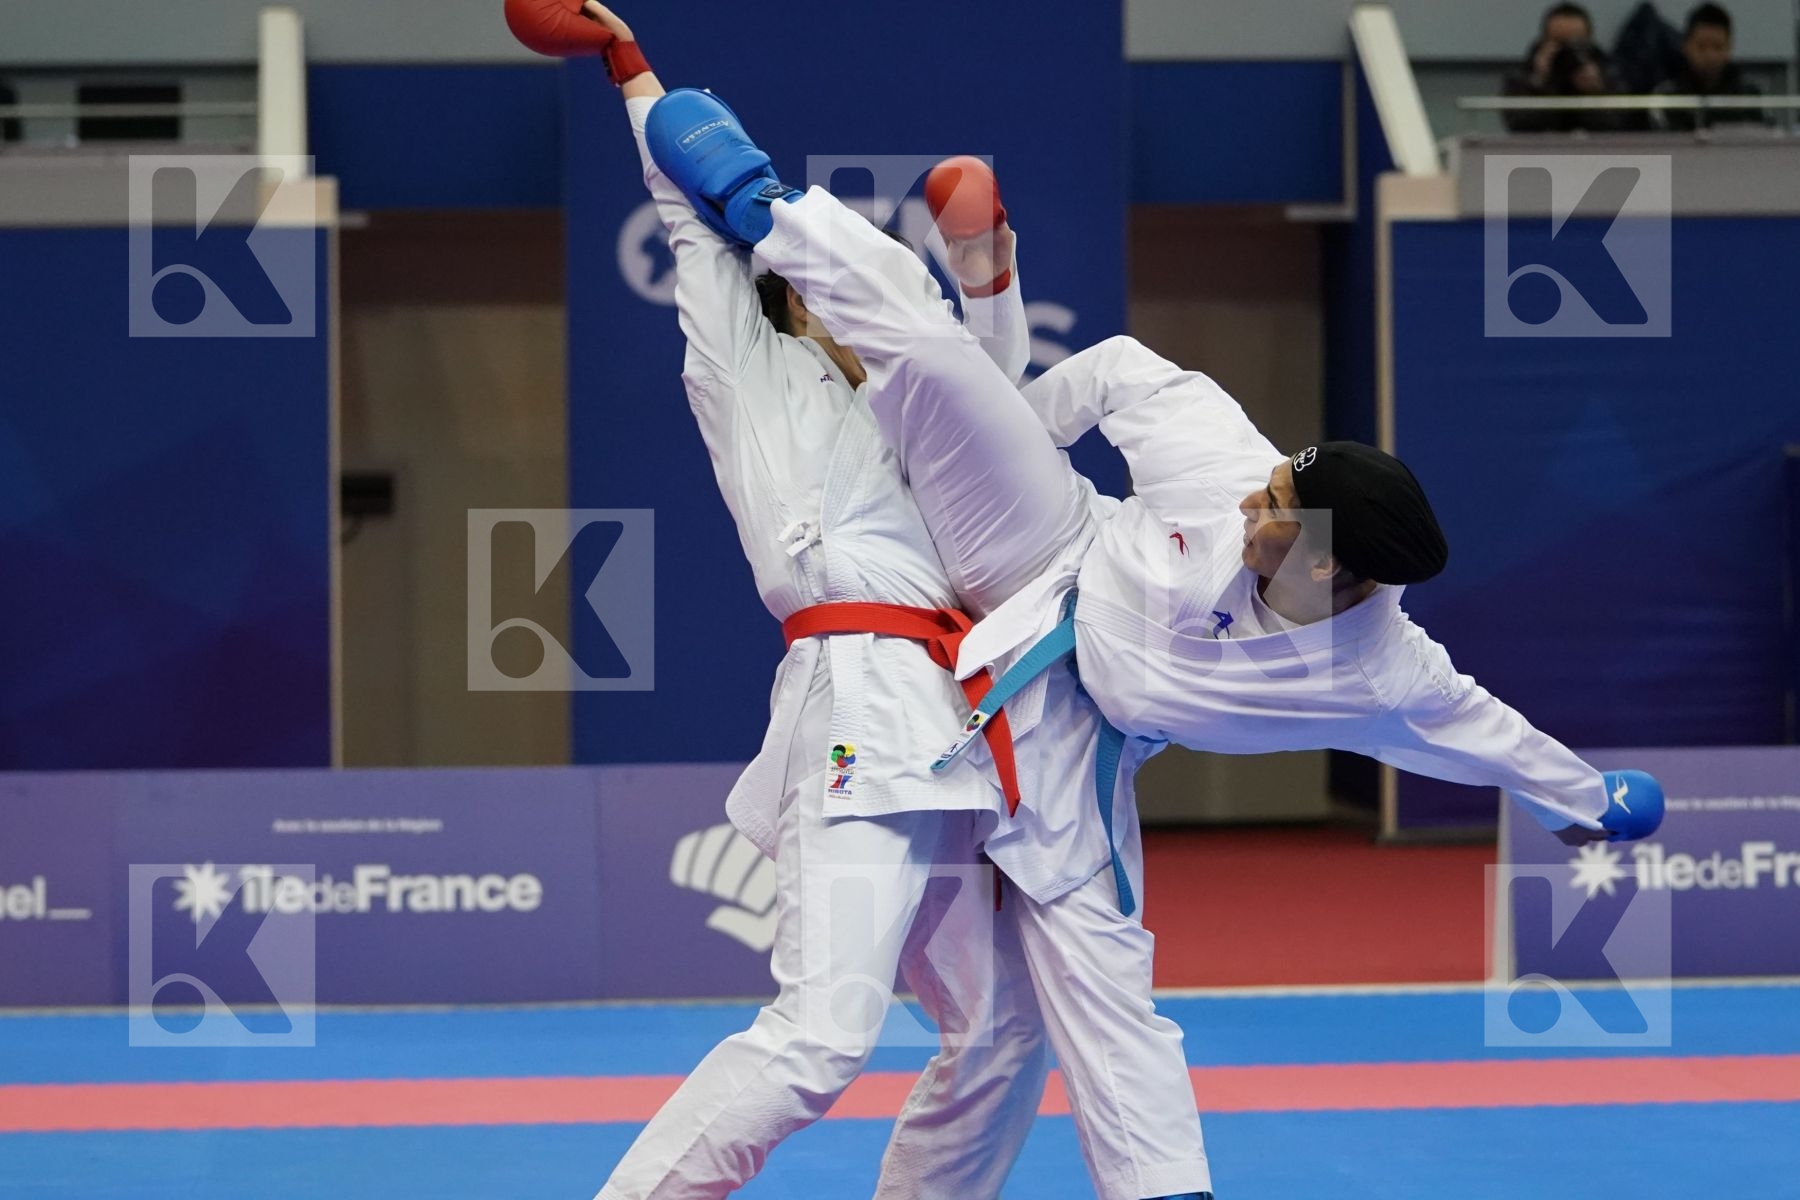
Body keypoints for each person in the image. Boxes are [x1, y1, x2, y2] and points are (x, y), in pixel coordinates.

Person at [532, 4, 1216, 1197]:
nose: (853, 311)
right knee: (818, 1041)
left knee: (1004, 1032)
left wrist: (990, 270)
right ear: (796, 304)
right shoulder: (751, 377)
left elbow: (989, 391)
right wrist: (633, 71)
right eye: (827, 294)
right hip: (856, 699)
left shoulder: (917, 413)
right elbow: (698, 235)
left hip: (964, 716)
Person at [644, 90, 1668, 875]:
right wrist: (1010, 433)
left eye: (1271, 508)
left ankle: (984, 292)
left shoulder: (1387, 671)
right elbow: (1122, 369)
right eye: (1264, 482)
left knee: (1077, 1004)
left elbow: (1491, 737)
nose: (1246, 501)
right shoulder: (1220, 455)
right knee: (938, 362)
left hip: (1085, 717)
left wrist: (1582, 801)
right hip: (1048, 544)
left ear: (1324, 558)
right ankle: (766, 203)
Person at [1500, 2, 1640, 133]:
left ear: (1589, 40)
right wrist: (1539, 83)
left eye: (1575, 43)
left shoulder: (1610, 72)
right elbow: (1519, 127)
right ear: (1544, 40)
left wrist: (1595, 93)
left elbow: (1619, 128)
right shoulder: (1522, 75)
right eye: (1559, 42)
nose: (1567, 50)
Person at [1653, 3, 1765, 130]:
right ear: (1686, 46)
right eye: (1702, 47)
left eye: (1718, 47)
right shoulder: (1668, 97)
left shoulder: (1748, 95)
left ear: (1729, 48)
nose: (1710, 56)